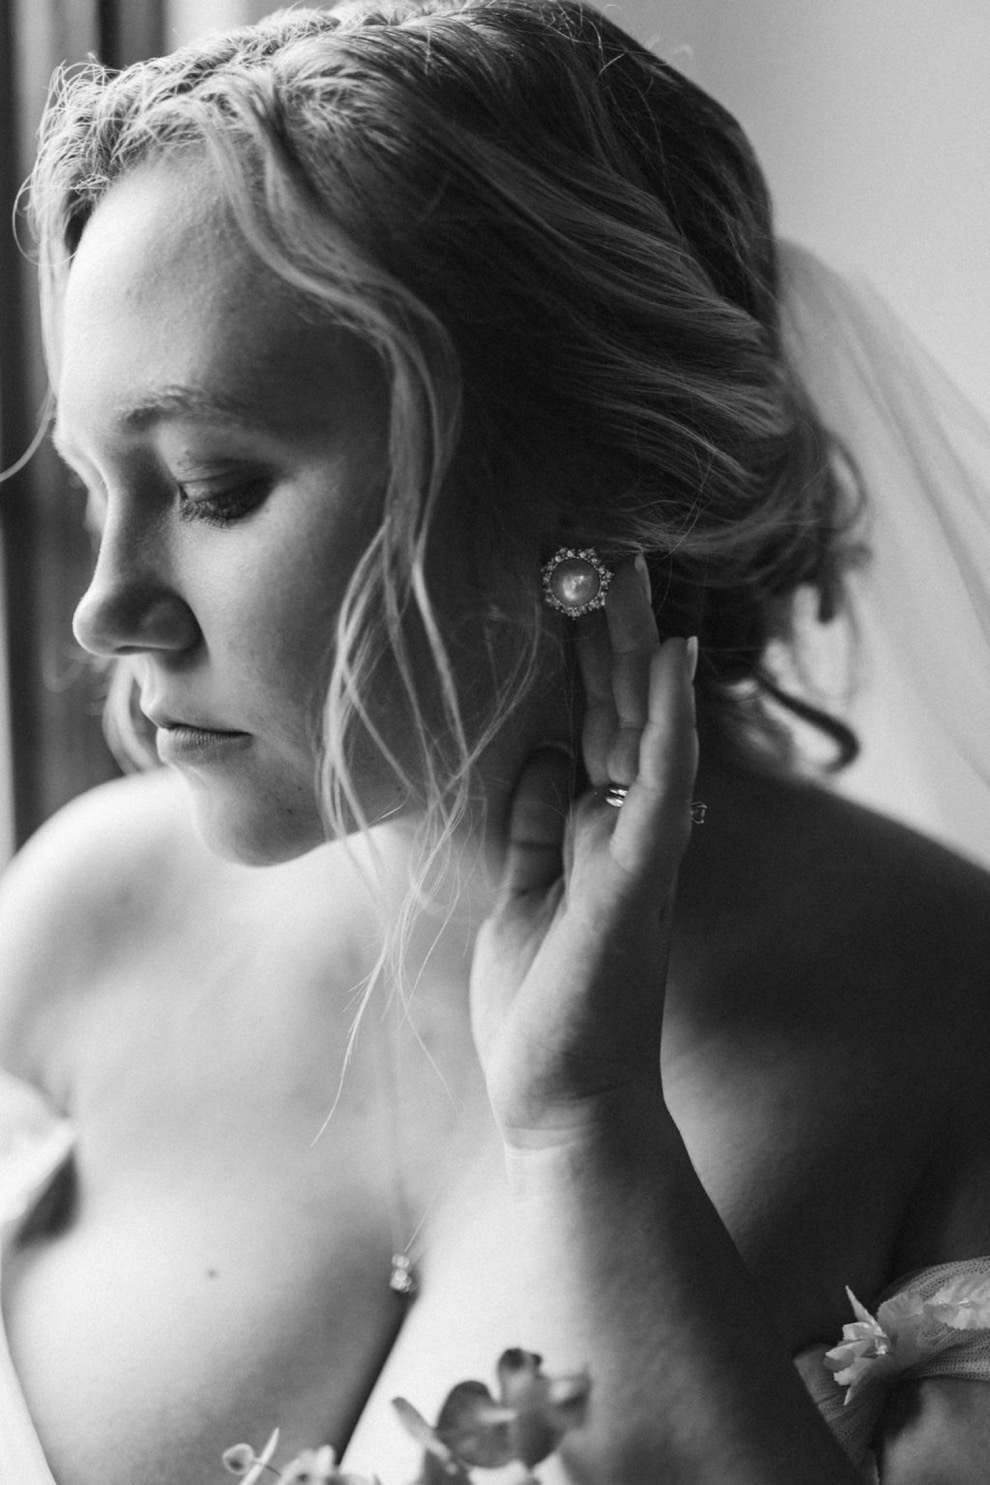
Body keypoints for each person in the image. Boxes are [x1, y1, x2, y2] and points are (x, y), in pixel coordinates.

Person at [1, 1, 989, 1481]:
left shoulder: (943, 1015)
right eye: (95, 485)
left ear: (579, 483)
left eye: (210, 487)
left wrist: (592, 1140)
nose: (105, 611)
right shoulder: (74, 924)